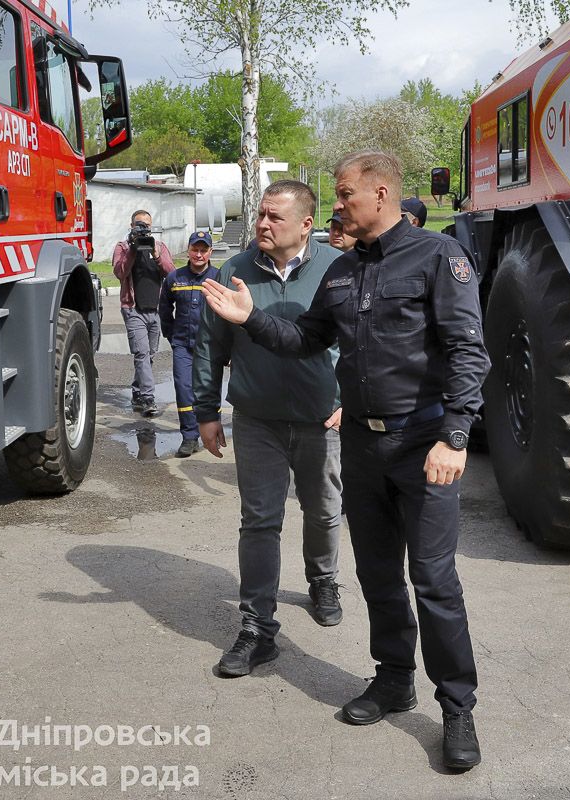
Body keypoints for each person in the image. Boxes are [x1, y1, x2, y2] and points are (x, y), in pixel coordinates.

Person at [202, 152, 489, 771]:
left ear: (381, 194)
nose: (337, 207)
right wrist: (251, 320)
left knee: (435, 582)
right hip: (362, 446)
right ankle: (392, 680)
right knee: (379, 575)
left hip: (424, 444)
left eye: (345, 195)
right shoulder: (341, 274)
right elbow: (305, 340)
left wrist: (456, 435)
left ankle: (456, 707)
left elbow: (469, 350)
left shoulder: (439, 258)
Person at [193, 180, 345, 678]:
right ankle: (257, 628)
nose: (261, 224)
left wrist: (347, 397)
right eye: (260, 214)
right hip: (257, 420)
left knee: (324, 512)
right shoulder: (234, 271)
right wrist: (207, 411)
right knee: (259, 522)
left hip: (322, 418)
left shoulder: (335, 269)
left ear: (306, 224)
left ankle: (323, 579)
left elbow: (358, 341)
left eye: (274, 217)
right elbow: (209, 344)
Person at [160, 230, 220, 457]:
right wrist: (171, 335)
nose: (199, 254)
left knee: (207, 390)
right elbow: (164, 309)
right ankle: (189, 437)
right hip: (182, 345)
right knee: (184, 389)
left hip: (209, 346)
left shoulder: (218, 277)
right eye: (195, 249)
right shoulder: (174, 278)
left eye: (203, 250)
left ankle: (210, 433)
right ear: (189, 250)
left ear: (210, 252)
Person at [113, 210, 175, 417]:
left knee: (149, 355)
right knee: (142, 353)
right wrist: (133, 249)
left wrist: (156, 255)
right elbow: (120, 273)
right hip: (133, 309)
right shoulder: (122, 247)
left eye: (147, 225)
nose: (143, 228)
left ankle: (138, 391)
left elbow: (171, 272)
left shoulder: (159, 246)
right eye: (139, 224)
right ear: (131, 226)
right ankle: (148, 398)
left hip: (156, 309)